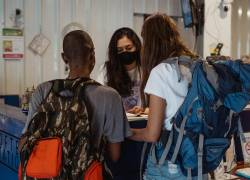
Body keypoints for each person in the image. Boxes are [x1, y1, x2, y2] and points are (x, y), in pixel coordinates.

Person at [20, 30, 132, 178]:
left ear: (64, 58)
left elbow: (24, 142)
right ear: (92, 56)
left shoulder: (43, 91)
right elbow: (114, 155)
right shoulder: (110, 96)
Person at [130, 13, 201, 179]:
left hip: (169, 159)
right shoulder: (195, 64)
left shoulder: (160, 72)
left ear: (151, 42)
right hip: (197, 156)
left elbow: (152, 134)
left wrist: (126, 132)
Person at [97, 27, 143, 113]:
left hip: (140, 120)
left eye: (129, 48)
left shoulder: (145, 69)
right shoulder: (106, 69)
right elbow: (99, 98)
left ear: (136, 46)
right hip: (115, 120)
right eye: (120, 50)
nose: (125, 52)